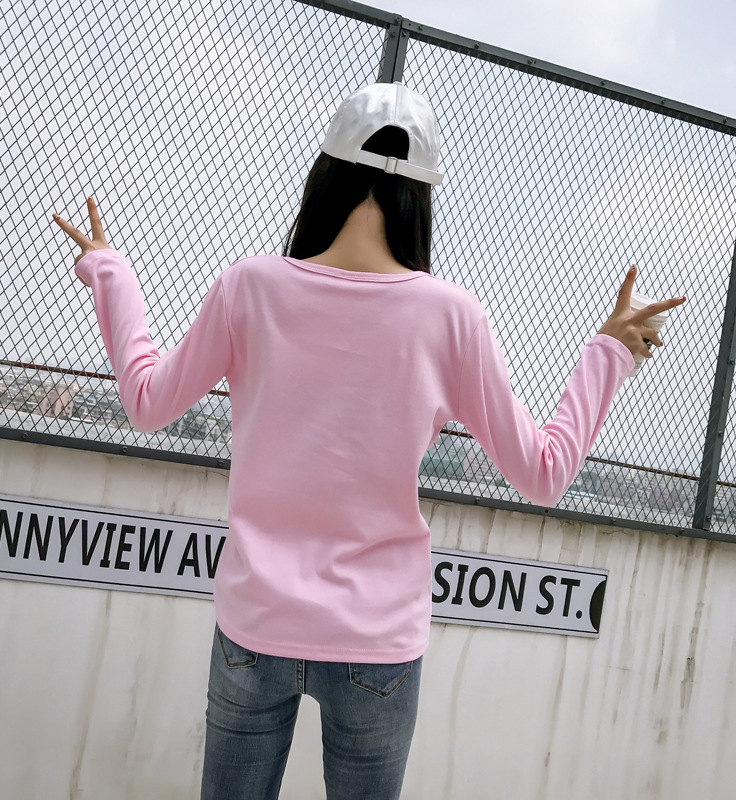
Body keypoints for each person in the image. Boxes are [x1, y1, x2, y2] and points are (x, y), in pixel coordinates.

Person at [52, 81, 686, 800]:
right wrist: (609, 352)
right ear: (421, 196)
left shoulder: (249, 287)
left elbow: (145, 401)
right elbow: (544, 472)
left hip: (255, 625)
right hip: (377, 642)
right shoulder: (452, 317)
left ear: (325, 174)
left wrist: (108, 272)